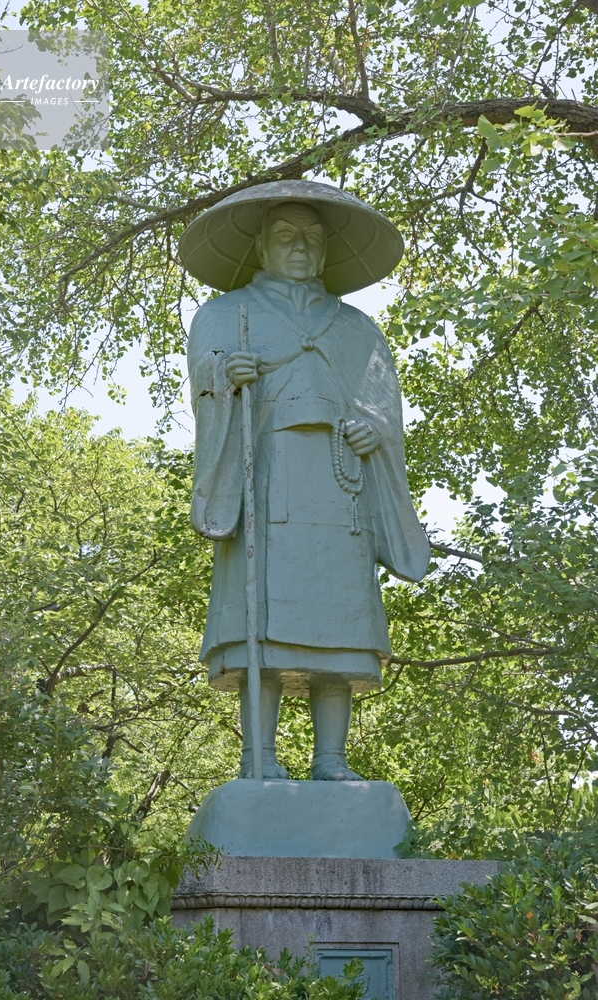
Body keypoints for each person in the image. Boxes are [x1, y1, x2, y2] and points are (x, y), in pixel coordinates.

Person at [180, 181, 429, 780]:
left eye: (313, 237)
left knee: (339, 629)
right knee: (260, 628)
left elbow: (383, 409)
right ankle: (258, 758)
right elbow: (206, 384)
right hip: (263, 482)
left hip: (341, 488)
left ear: (325, 251)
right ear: (261, 247)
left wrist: (372, 433)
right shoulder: (226, 315)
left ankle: (331, 760)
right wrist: (225, 375)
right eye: (286, 235)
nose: (300, 246)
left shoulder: (357, 328)